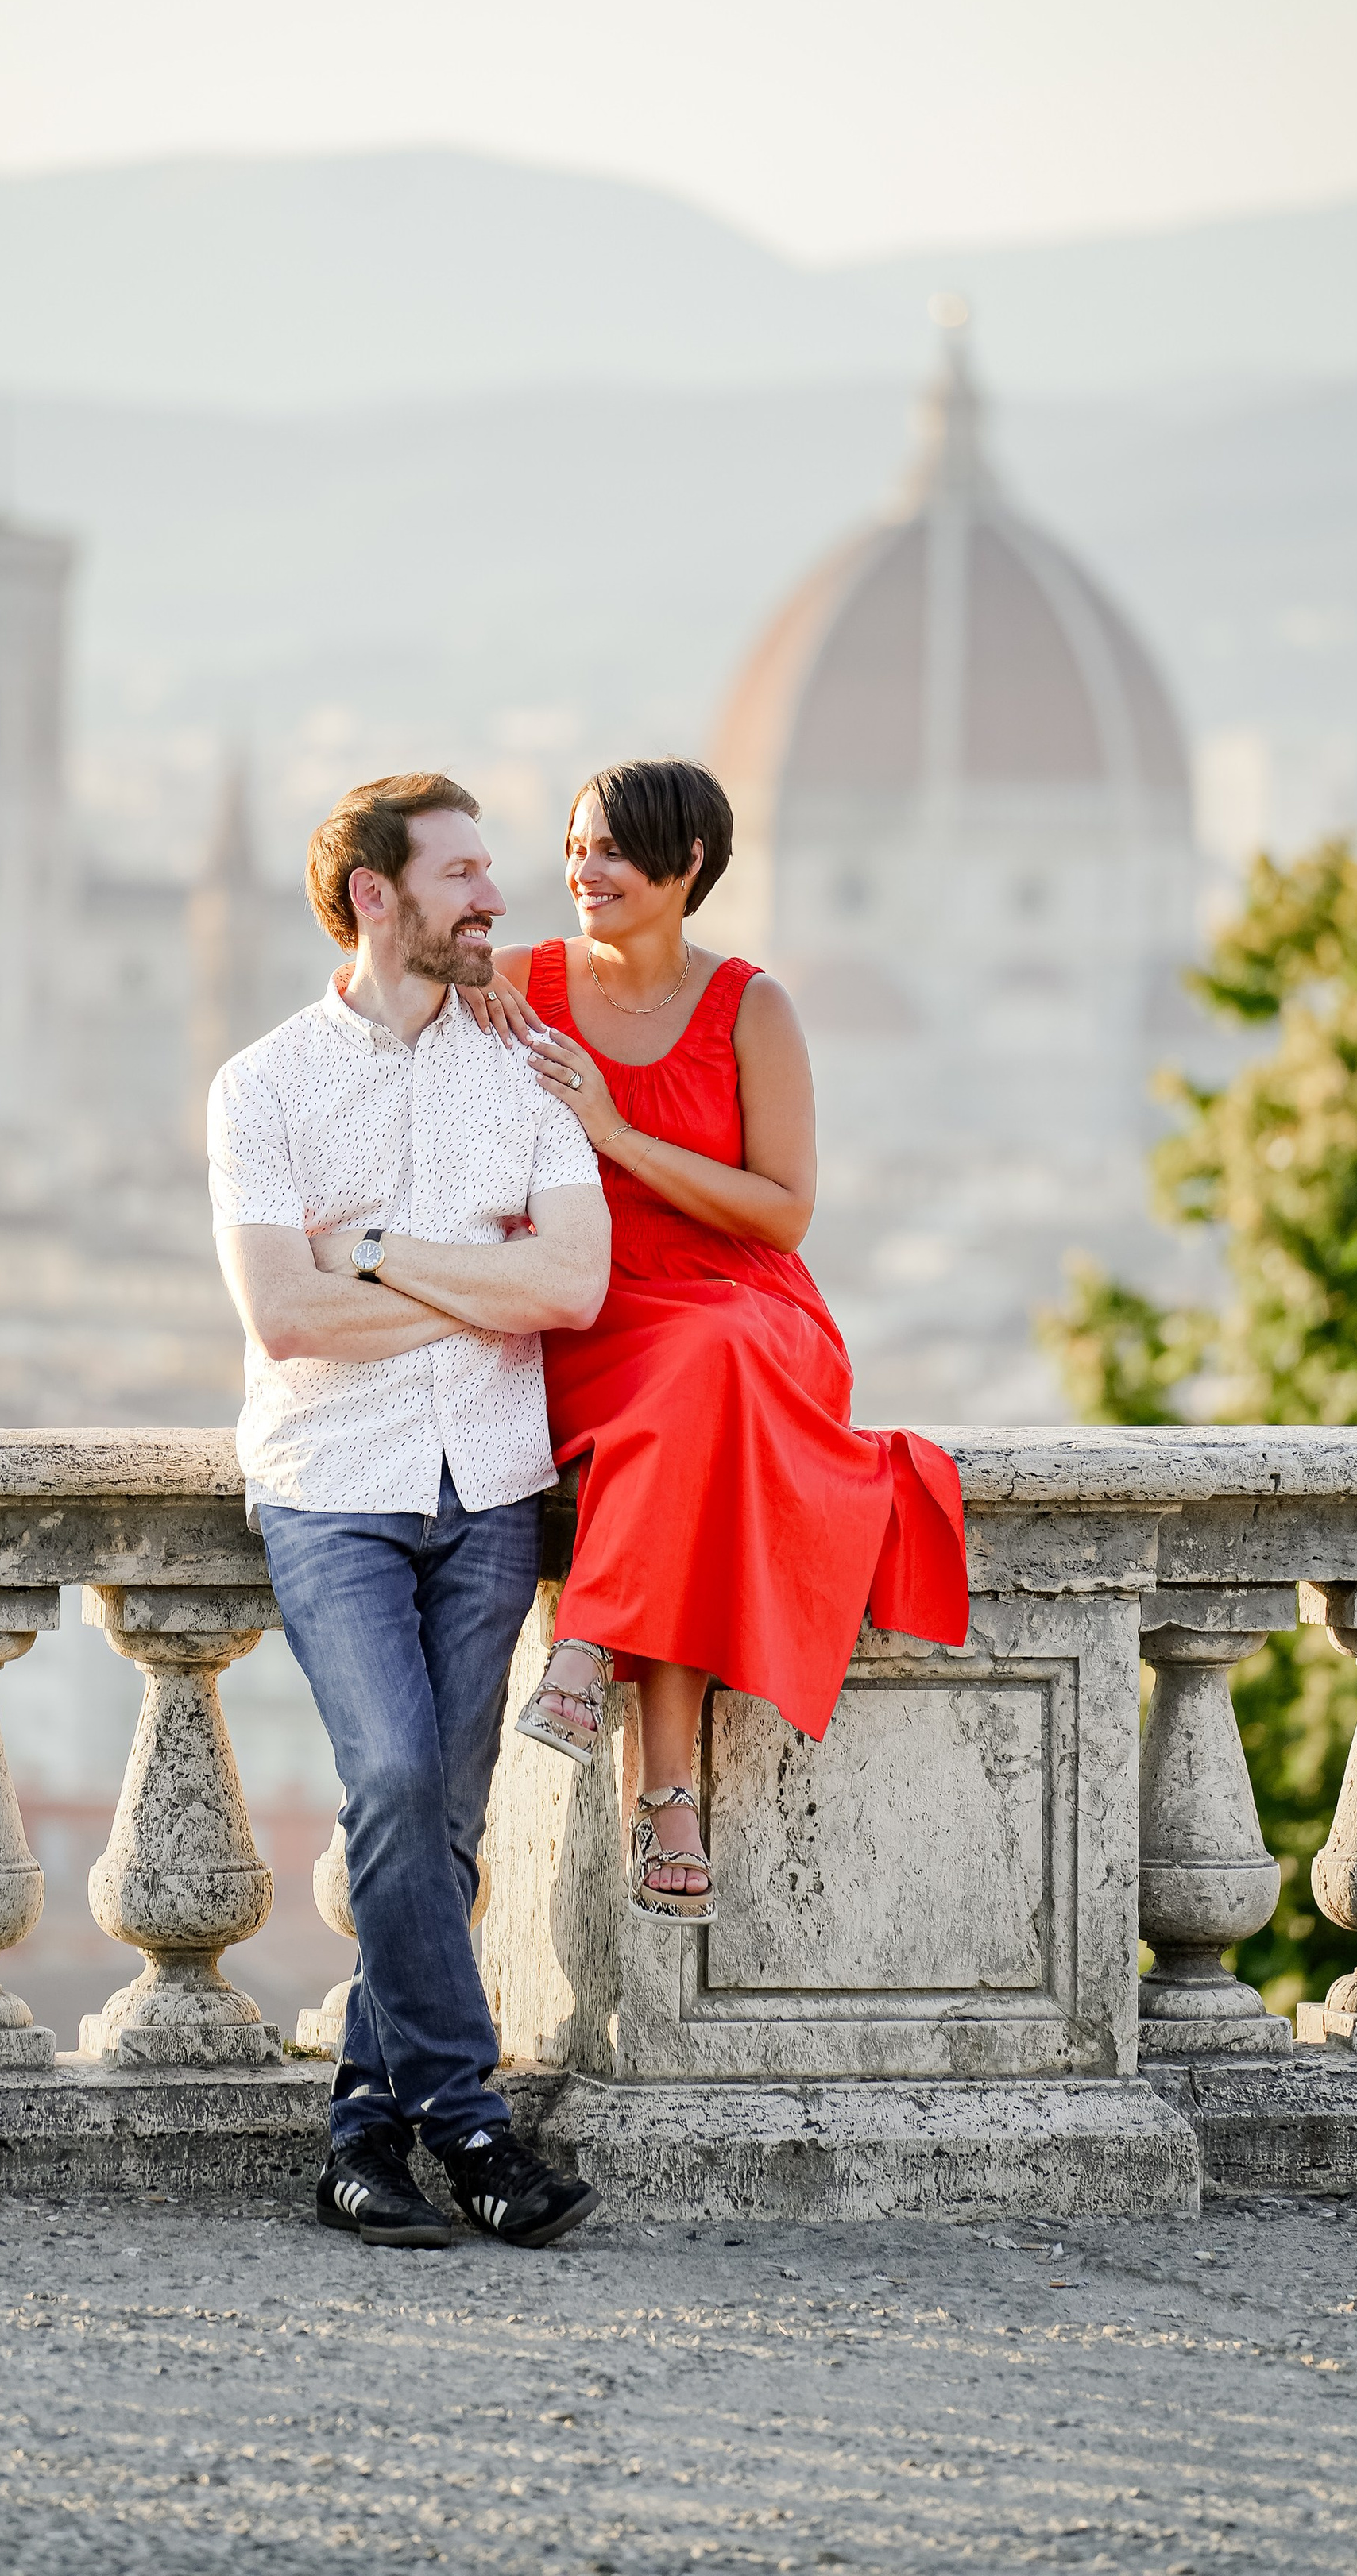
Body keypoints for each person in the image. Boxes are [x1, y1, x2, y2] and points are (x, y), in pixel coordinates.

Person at [209, 770, 613, 2250]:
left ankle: (365, 2134)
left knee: (444, 1824)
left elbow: (571, 1287)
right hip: (333, 1490)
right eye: (462, 876)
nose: (496, 900)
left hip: (493, 1487)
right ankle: (475, 2124)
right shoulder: (261, 1088)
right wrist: (468, 1287)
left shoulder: (525, 1066)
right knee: (388, 1781)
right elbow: (286, 1320)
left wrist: (373, 1251)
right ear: (377, 894)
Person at [479, 757, 967, 1921]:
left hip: (744, 1305)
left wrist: (611, 1126)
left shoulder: (754, 1007)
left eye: (611, 849)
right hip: (590, 1309)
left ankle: (610, 1679)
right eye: (575, 846)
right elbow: (372, 997)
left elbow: (784, 1209)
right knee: (688, 1416)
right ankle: (662, 1794)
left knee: (705, 1371)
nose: (583, 871)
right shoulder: (514, 985)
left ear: (687, 863)